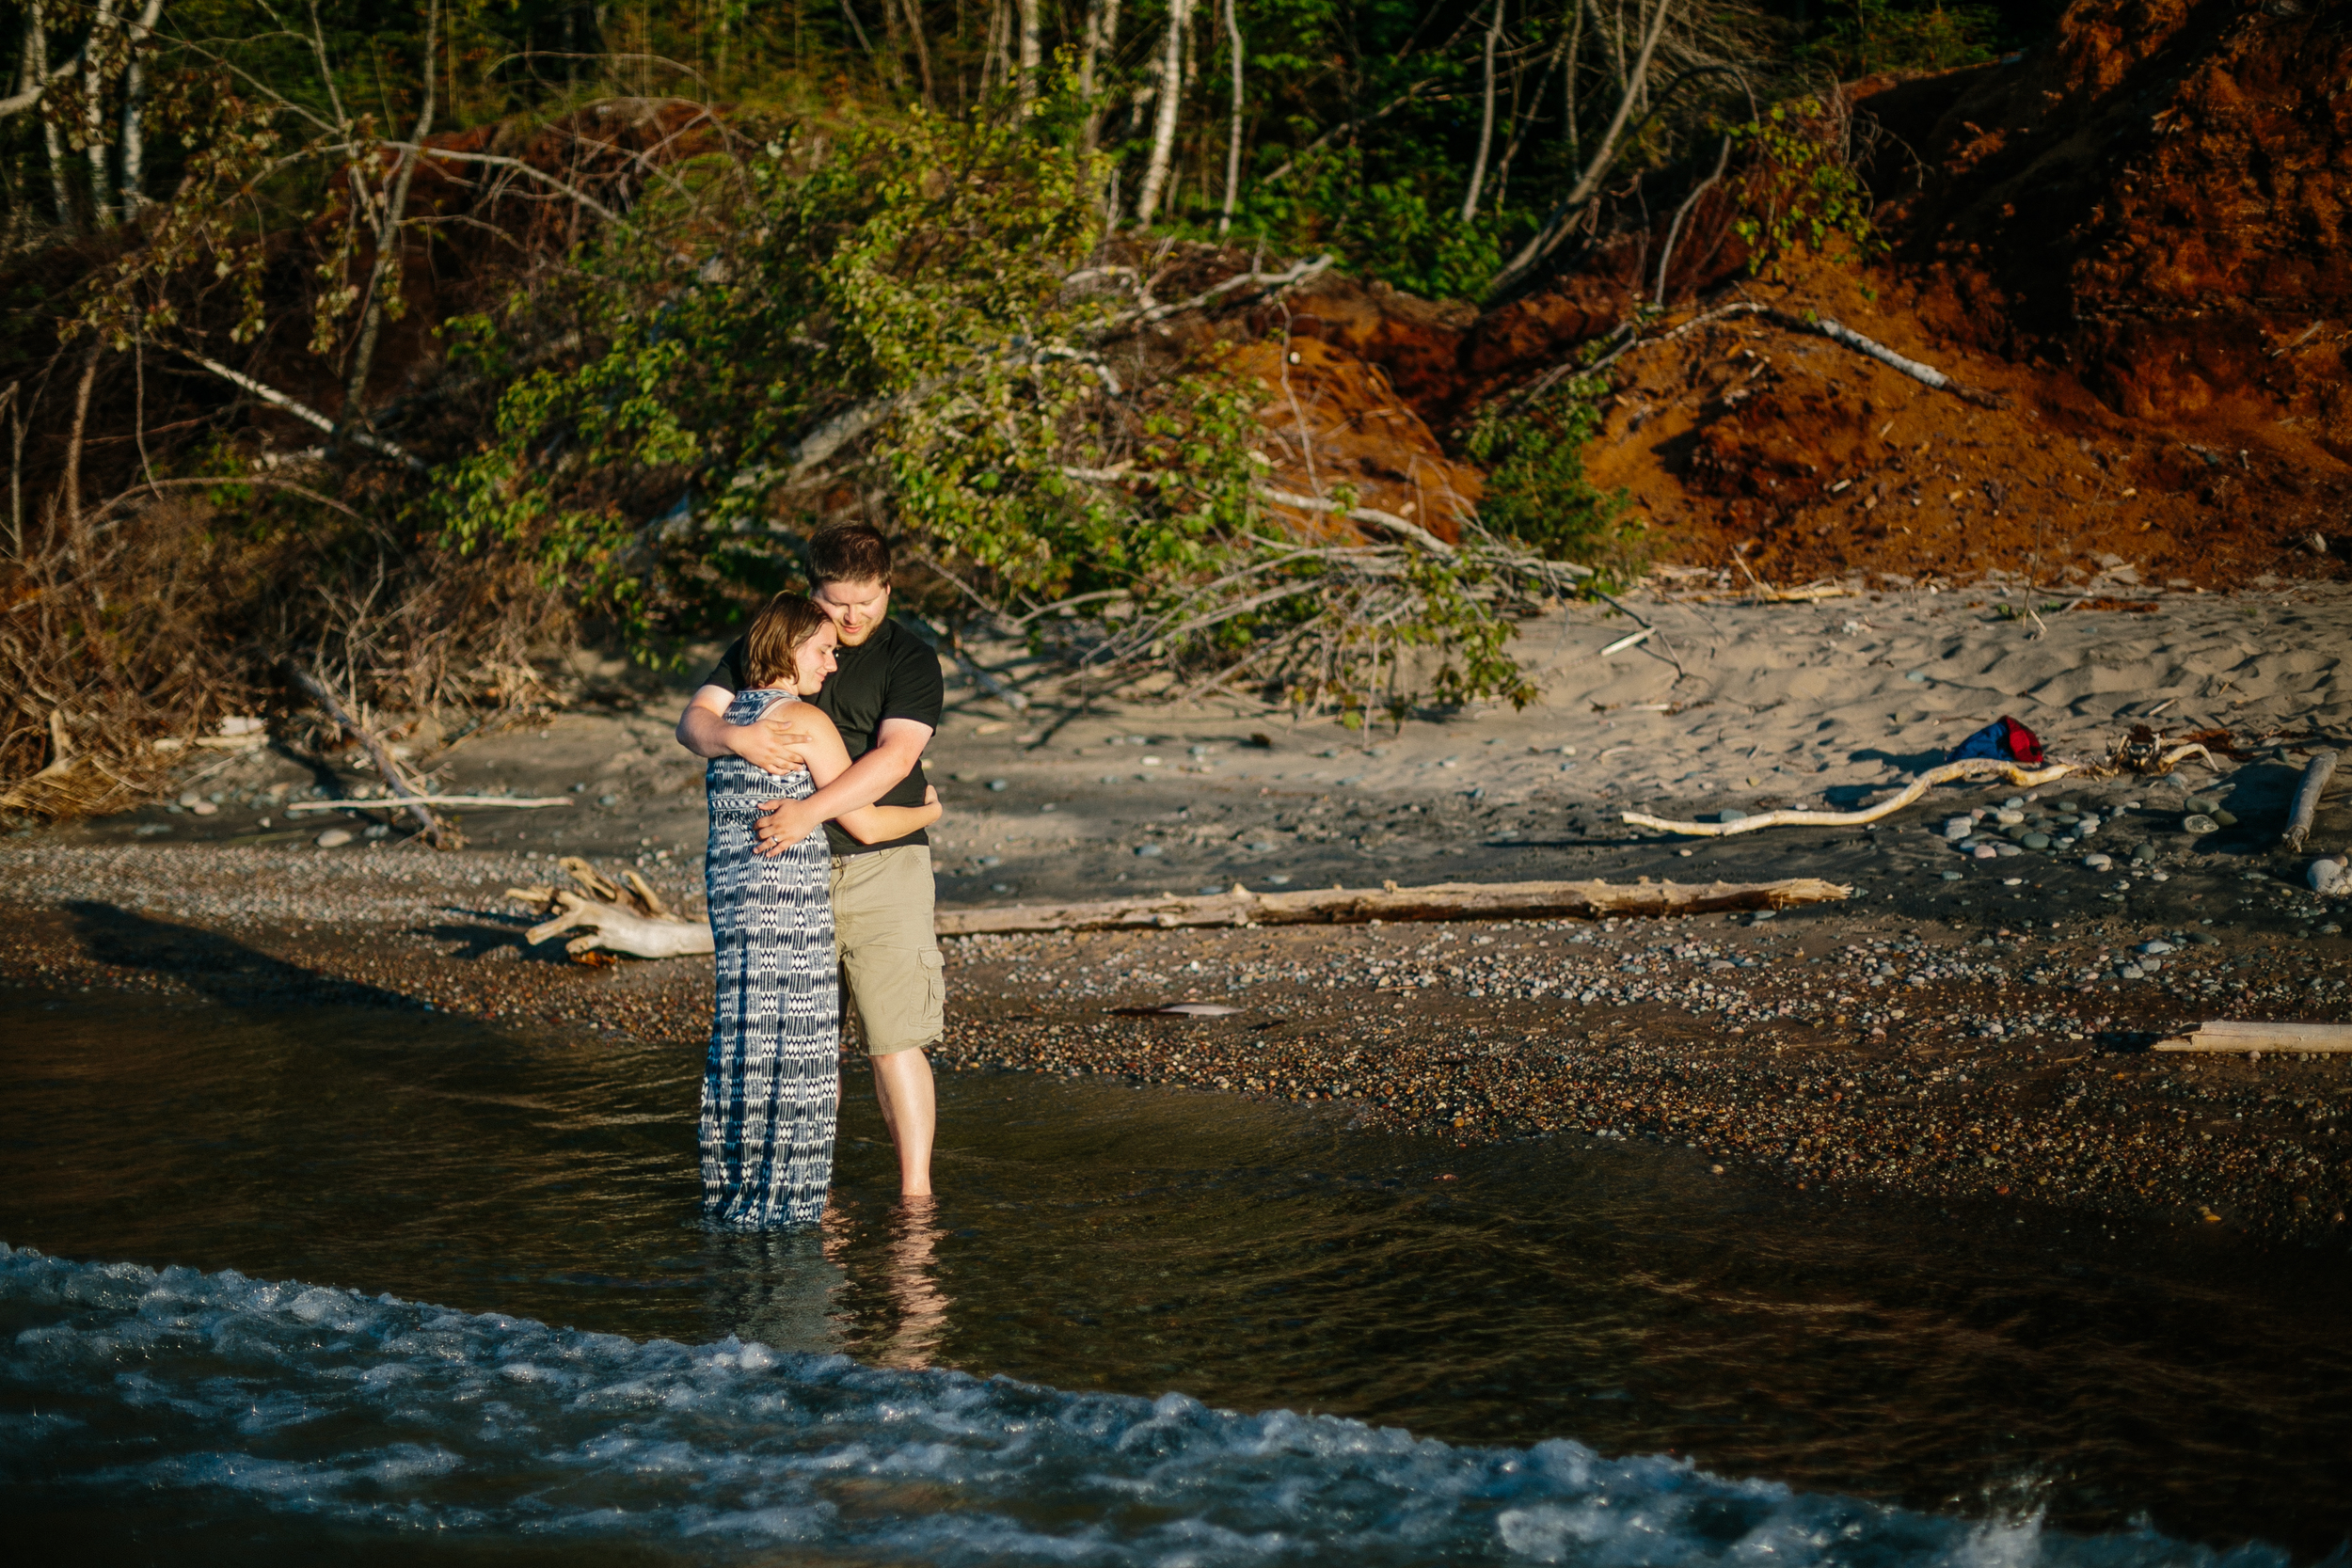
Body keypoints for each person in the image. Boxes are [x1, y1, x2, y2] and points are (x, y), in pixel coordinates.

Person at [676, 523, 946, 1200]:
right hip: (788, 879)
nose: (852, 618)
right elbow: (693, 721)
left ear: (888, 588)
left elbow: (895, 758)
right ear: (811, 587)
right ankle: (808, 1192)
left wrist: (810, 810)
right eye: (837, 602)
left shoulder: (910, 659)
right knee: (802, 1038)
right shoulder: (775, 641)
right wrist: (733, 735)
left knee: (892, 1036)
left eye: (867, 600)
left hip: (884, 861)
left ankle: (916, 1196)